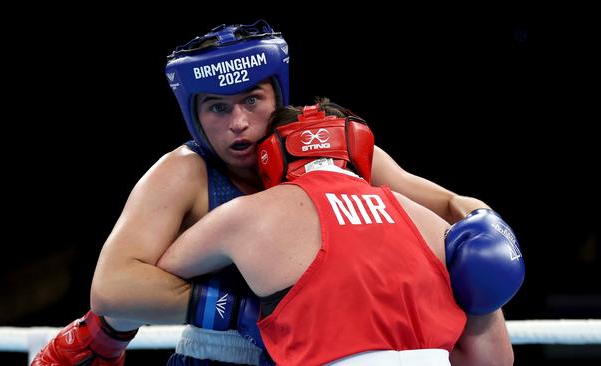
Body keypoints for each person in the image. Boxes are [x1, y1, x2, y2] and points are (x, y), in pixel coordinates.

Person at [32, 20, 507, 366]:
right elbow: (113, 288)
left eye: (251, 101)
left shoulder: (330, 149)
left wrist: (488, 225)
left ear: (279, 98)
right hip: (226, 359)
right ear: (193, 116)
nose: (238, 123)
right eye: (217, 108)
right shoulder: (183, 173)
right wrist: (246, 312)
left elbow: (443, 202)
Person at [158, 101, 525, 365]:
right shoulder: (432, 224)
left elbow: (159, 271)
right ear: (359, 152)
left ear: (270, 158)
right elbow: (493, 361)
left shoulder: (247, 215)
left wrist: (232, 308)